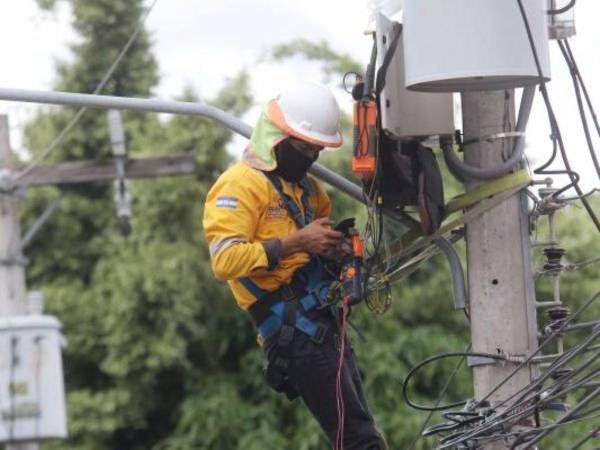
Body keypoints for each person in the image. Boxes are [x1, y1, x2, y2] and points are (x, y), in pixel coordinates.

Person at [203, 81, 385, 449]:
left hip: (323, 323)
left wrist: (334, 252)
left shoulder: (308, 192)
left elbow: (315, 250)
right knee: (359, 440)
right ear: (277, 140)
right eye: (305, 148)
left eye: (317, 150)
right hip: (294, 332)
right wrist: (298, 241)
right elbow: (225, 260)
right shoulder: (238, 186)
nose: (311, 158)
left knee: (363, 431)